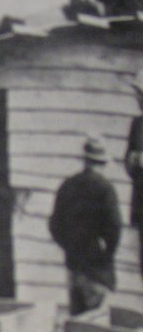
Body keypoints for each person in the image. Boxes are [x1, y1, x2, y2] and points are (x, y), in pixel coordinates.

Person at [49, 133, 122, 315]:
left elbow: (54, 225)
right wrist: (106, 256)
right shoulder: (105, 189)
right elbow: (114, 228)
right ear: (103, 162)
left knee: (77, 323)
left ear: (85, 159)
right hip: (96, 269)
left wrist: (69, 246)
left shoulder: (68, 185)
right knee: (96, 325)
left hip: (74, 266)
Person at [124, 69, 143, 277]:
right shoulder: (137, 124)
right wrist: (131, 162)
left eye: (139, 93)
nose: (137, 98)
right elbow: (127, 159)